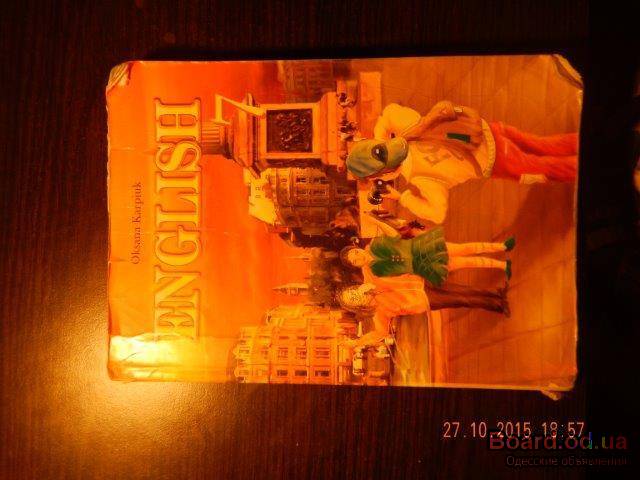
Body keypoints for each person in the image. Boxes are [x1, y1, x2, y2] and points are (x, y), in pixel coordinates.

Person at [346, 101, 578, 224]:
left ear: (383, 175)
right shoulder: (408, 127)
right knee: (543, 145)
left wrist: (402, 197)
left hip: (496, 161)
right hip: (487, 131)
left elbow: (437, 214)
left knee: (548, 169)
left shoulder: (421, 177)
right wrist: (380, 140)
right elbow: (389, 113)